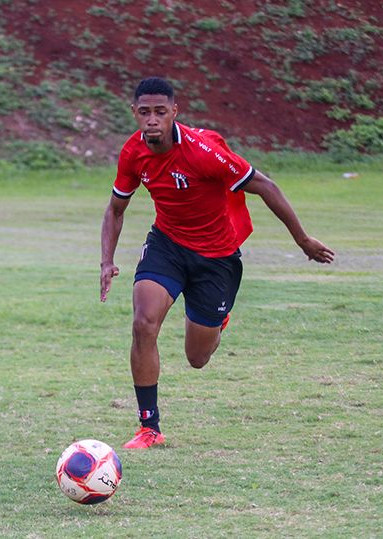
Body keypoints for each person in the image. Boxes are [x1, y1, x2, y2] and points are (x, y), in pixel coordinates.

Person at [100, 77, 334, 450]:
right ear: (134, 113)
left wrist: (303, 240)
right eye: (144, 113)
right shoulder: (133, 153)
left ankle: (218, 319)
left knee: (197, 357)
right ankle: (150, 427)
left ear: (174, 112)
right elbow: (115, 209)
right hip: (168, 245)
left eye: (160, 112)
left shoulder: (204, 152)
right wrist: (106, 261)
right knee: (143, 323)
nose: (152, 120)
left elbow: (266, 186)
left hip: (216, 257)